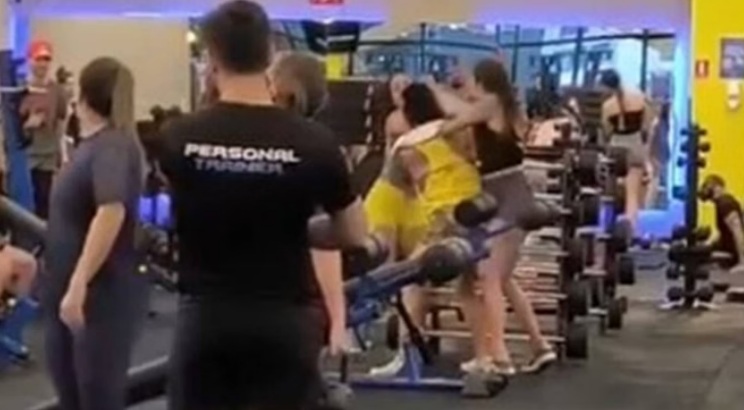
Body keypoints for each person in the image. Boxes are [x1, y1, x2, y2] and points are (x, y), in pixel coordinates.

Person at [154, 2, 367, 410]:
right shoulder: (314, 142)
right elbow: (354, 232)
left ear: (212, 58)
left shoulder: (178, 137)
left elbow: (175, 208)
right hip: (283, 322)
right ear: (270, 53)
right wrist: (300, 229)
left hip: (207, 319)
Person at [434, 58, 557, 375]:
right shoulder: (505, 107)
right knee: (504, 280)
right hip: (514, 194)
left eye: (472, 81)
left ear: (481, 81)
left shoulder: (490, 104)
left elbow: (452, 123)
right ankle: (540, 346)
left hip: (506, 200)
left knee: (489, 278)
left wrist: (436, 93)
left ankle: (499, 357)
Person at [43, 57, 149, 410]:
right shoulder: (88, 147)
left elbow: (111, 211)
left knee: (96, 397)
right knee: (73, 396)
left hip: (100, 297)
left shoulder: (112, 145)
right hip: (68, 291)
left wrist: (79, 283)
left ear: (84, 96)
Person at [365, 83, 445, 377]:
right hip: (386, 201)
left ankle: (408, 344)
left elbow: (431, 182)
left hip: (412, 204)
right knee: (387, 276)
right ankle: (388, 343)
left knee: (414, 276)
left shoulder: (433, 135)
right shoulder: (411, 141)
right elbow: (426, 180)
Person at [598, 69, 654, 235]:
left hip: (616, 146)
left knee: (611, 191)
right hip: (635, 144)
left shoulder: (607, 106)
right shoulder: (640, 98)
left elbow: (606, 131)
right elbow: (647, 126)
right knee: (633, 195)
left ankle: (608, 227)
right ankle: (630, 231)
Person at [19, 40, 70, 218]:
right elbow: (8, 124)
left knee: (44, 201)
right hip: (23, 155)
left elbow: (62, 123)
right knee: (22, 205)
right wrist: (28, 123)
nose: (42, 64)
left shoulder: (57, 91)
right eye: (38, 59)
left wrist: (63, 155)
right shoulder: (19, 89)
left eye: (46, 59)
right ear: (30, 60)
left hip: (47, 155)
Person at [699, 175, 744, 271]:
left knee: (699, 260)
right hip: (726, 248)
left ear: (719, 187)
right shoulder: (720, 203)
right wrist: (708, 244)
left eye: (710, 186)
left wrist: (742, 262)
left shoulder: (725, 203)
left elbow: (738, 232)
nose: (707, 189)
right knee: (698, 253)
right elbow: (722, 232)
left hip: (732, 253)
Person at [383, 73, 413, 151]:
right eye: (396, 88)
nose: (402, 90)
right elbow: (389, 149)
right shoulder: (391, 120)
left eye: (406, 85)